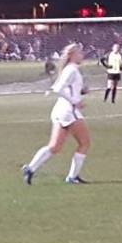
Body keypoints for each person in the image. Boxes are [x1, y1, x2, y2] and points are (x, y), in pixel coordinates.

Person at [22, 43, 91, 186]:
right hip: (69, 111)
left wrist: (81, 92)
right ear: (72, 55)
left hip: (61, 110)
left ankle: (30, 169)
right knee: (84, 143)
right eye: (79, 53)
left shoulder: (70, 69)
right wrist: (75, 102)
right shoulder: (71, 69)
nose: (82, 55)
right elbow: (58, 88)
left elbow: (62, 88)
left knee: (55, 146)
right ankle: (72, 177)